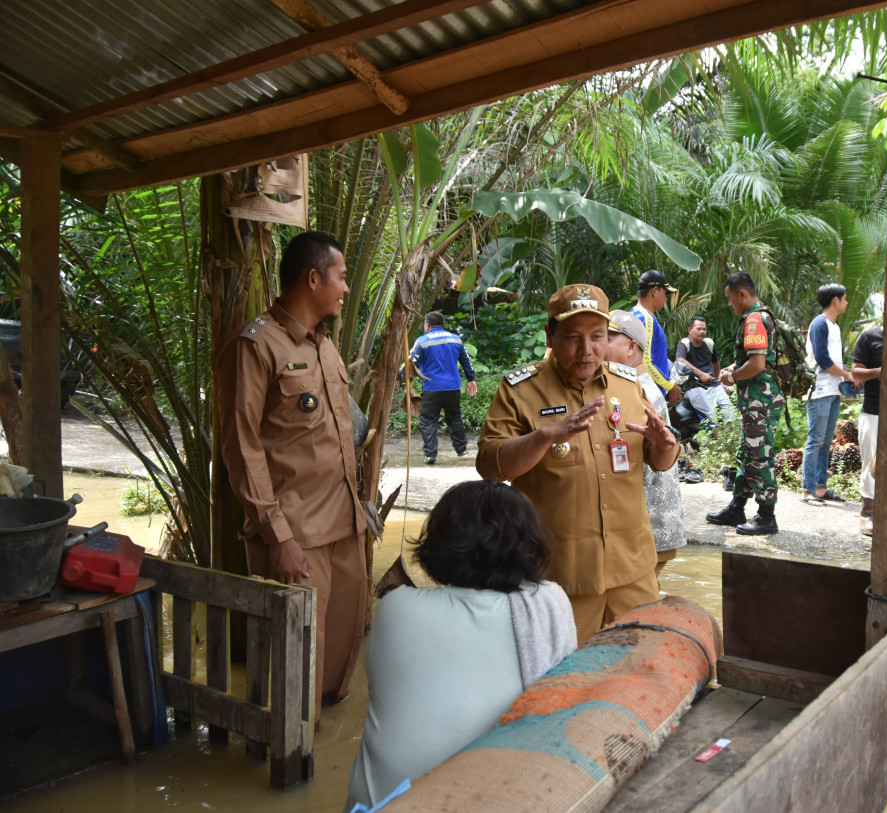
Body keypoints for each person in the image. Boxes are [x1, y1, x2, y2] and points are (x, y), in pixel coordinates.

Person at [345, 481, 577, 812]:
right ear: (530, 545)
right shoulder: (549, 603)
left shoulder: (396, 609)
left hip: (382, 804)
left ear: (440, 543)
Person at [216, 231, 367, 723]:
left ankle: (322, 766)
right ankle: (290, 771)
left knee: (334, 670)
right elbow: (241, 446)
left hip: (345, 528)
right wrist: (276, 536)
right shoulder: (256, 346)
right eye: (340, 277)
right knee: (296, 674)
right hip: (297, 537)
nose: (345, 289)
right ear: (313, 278)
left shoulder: (325, 347)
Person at [476, 284, 680, 642]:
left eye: (597, 337)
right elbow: (490, 466)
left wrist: (666, 446)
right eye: (573, 337)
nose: (587, 350)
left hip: (632, 571)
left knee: (633, 671)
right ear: (550, 335)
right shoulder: (520, 390)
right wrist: (543, 437)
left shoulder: (629, 384)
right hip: (559, 577)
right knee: (561, 681)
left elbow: (657, 461)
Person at [606, 309, 687, 574]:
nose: (596, 345)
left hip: (648, 525)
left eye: (606, 338)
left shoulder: (636, 390)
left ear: (631, 347)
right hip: (656, 523)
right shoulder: (637, 385)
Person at [705, 272, 785, 535]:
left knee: (759, 456)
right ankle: (737, 506)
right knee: (746, 453)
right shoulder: (762, 316)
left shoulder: (753, 320)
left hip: (760, 400)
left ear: (742, 294)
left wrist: (731, 376)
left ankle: (766, 516)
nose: (730, 304)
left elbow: (758, 364)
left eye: (730, 299)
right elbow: (756, 358)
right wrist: (734, 367)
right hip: (757, 399)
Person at [802, 283, 857, 505]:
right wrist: (848, 375)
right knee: (815, 440)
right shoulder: (819, 323)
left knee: (826, 441)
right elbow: (823, 360)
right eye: (844, 298)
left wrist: (843, 377)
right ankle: (807, 491)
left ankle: (821, 488)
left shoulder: (833, 326)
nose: (846, 302)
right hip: (819, 390)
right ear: (835, 300)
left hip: (832, 390)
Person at [405, 311, 478, 465]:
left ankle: (431, 454)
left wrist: (399, 378)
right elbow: (466, 361)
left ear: (427, 325)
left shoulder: (423, 341)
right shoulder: (456, 339)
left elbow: (411, 363)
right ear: (441, 324)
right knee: (454, 417)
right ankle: (461, 450)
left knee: (428, 420)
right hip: (452, 387)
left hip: (432, 388)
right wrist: (471, 379)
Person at [632, 270, 683, 405]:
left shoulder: (633, 315)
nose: (666, 298)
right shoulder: (646, 318)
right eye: (665, 293)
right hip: (648, 394)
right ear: (655, 291)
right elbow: (646, 362)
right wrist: (671, 386)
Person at [852, 324, 883, 535]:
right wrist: (878, 372)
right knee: (871, 462)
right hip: (874, 411)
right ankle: (868, 513)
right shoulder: (870, 335)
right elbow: (855, 371)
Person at [675, 315, 735, 424]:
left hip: (714, 385)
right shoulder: (684, 343)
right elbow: (680, 360)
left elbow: (715, 362)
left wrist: (718, 380)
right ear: (690, 330)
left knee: (731, 415)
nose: (702, 331)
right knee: (712, 420)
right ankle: (717, 440)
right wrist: (701, 375)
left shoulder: (709, 343)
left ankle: (732, 441)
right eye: (698, 329)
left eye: (704, 329)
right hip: (695, 387)